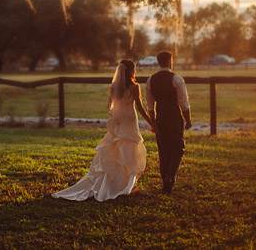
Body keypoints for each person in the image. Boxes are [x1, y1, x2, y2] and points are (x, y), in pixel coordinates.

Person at [52, 59, 155, 201]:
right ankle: (124, 183)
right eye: (134, 69)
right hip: (129, 120)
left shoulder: (114, 87)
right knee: (128, 148)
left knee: (115, 147)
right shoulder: (134, 87)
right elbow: (139, 107)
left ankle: (114, 179)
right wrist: (151, 122)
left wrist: (115, 118)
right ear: (131, 71)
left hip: (118, 119)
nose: (135, 71)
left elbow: (110, 106)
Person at [146, 50, 192, 193]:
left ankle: (165, 177)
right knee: (178, 147)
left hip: (160, 117)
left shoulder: (150, 80)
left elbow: (150, 105)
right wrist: (188, 120)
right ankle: (170, 176)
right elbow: (183, 103)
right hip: (174, 117)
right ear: (169, 62)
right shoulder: (177, 79)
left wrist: (153, 122)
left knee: (163, 149)